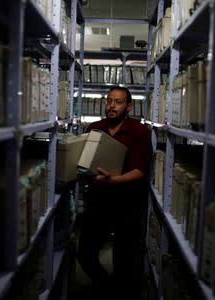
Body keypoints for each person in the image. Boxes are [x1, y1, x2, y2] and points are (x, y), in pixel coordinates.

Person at [76, 86, 153, 300]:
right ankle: (106, 287)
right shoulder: (94, 128)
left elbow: (140, 171)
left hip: (127, 205)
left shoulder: (139, 131)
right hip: (98, 201)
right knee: (85, 254)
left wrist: (113, 180)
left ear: (129, 106)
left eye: (117, 102)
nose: (111, 106)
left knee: (124, 260)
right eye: (109, 101)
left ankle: (119, 291)